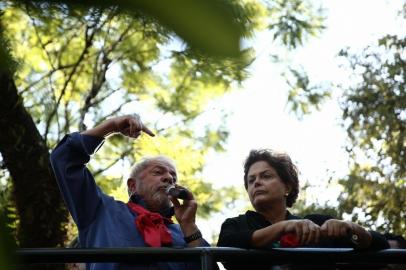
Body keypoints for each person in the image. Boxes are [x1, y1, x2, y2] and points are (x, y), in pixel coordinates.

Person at [50, 114, 208, 270]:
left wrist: (189, 226)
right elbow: (64, 157)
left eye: (173, 177)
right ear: (133, 186)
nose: (168, 178)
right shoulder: (102, 211)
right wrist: (111, 126)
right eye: (158, 172)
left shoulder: (184, 234)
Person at [217, 149, 389, 270]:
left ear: (287, 187)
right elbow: (226, 248)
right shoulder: (236, 225)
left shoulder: (317, 225)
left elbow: (380, 245)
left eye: (266, 176)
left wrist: (350, 228)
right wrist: (283, 227)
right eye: (251, 180)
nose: (257, 182)